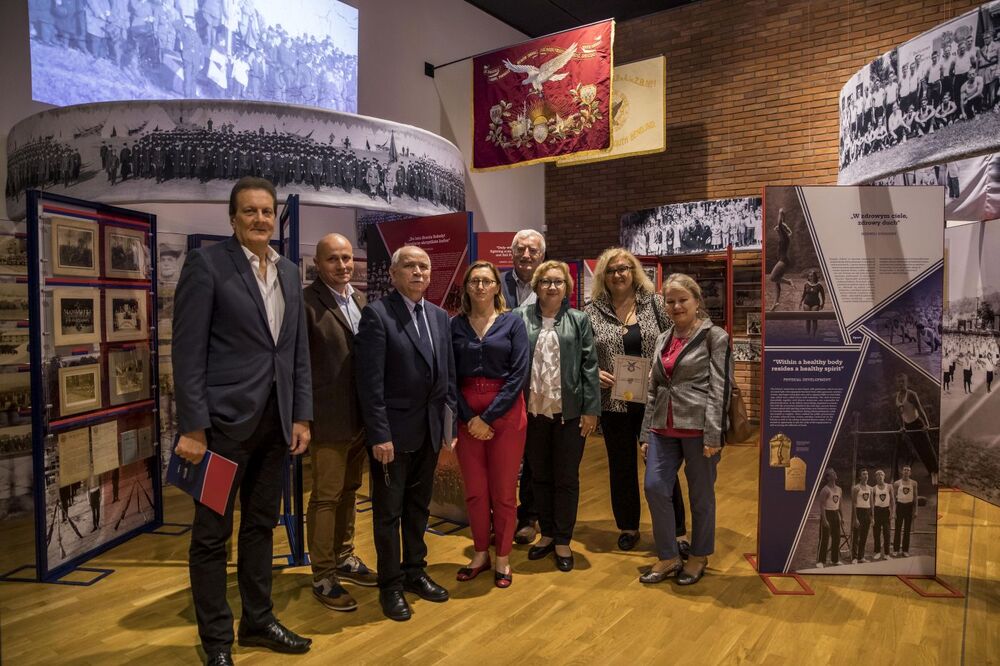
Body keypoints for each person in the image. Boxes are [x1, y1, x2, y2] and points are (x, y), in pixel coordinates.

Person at [173, 177, 313, 665]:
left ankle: (258, 621)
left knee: (259, 528)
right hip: (220, 429)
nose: (260, 219)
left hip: (275, 428)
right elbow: (186, 352)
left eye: (267, 211)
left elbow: (296, 354)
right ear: (231, 218)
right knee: (211, 536)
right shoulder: (207, 265)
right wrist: (192, 427)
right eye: (249, 211)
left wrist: (301, 416)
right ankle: (216, 641)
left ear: (276, 217)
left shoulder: (291, 273)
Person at [354, 245, 457, 622]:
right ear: (394, 274)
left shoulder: (439, 317)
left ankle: (415, 571)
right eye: (409, 266)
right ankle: (391, 584)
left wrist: (451, 424)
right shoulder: (377, 316)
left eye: (423, 266)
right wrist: (379, 434)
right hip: (392, 438)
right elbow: (370, 384)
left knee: (418, 509)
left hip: (430, 433)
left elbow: (448, 377)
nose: (417, 272)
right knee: (388, 513)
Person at [584, 248, 688, 555]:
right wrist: (593, 374)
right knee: (620, 466)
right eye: (612, 270)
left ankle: (677, 530)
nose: (618, 275)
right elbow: (584, 356)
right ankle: (628, 527)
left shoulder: (655, 303)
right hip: (613, 402)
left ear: (634, 271)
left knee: (661, 466)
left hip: (653, 401)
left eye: (624, 268)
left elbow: (677, 339)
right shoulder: (592, 312)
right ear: (604, 276)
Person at [638, 273, 731, 585]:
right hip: (662, 428)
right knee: (654, 487)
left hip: (699, 429)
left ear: (696, 302)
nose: (676, 306)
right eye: (671, 301)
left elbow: (720, 389)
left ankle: (699, 555)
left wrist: (714, 434)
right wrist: (644, 433)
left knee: (701, 496)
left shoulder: (714, 336)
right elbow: (653, 389)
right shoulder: (663, 339)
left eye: (682, 300)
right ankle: (668, 556)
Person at [302, 233, 376, 613]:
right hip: (327, 421)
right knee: (326, 497)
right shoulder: (305, 303)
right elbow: (297, 366)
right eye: (334, 259)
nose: (343, 265)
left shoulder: (358, 299)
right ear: (318, 263)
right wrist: (302, 417)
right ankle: (323, 574)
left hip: (359, 419)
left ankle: (344, 556)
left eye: (348, 258)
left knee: (349, 491)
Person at [514, 261, 600, 572]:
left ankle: (563, 538)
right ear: (536, 286)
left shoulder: (578, 320)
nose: (552, 287)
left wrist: (591, 409)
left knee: (566, 477)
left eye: (559, 282)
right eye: (546, 281)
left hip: (570, 413)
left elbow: (589, 366)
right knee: (539, 476)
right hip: (532, 413)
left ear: (567, 287)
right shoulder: (518, 317)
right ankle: (547, 533)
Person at [451, 261, 529, 588]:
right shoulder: (455, 325)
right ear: (467, 287)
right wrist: (471, 418)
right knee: (475, 492)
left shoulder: (513, 324)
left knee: (503, 492)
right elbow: (449, 376)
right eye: (474, 281)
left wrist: (488, 417)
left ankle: (503, 558)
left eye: (487, 281)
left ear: (497, 287)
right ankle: (480, 553)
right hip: (466, 413)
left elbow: (518, 374)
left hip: (507, 413)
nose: (480, 286)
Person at [500, 229, 545, 545]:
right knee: (501, 454)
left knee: (533, 454)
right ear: (511, 253)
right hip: (500, 382)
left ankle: (529, 515)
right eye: (521, 250)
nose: (526, 255)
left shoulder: (551, 285)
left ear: (542, 255)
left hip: (540, 383)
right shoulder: (494, 283)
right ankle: (498, 515)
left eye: (533, 250)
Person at [895, 373, 938, 486]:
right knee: (920, 450)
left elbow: (920, 409)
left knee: (928, 449)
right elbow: (900, 415)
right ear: (897, 383)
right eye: (899, 382)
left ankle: (936, 472)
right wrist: (902, 426)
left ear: (906, 382)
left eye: (902, 382)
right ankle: (930, 471)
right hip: (908, 427)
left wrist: (927, 424)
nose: (901, 384)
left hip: (918, 424)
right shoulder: (897, 396)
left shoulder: (911, 394)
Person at [816, 468, 843, 568]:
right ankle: (820, 561)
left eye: (834, 472)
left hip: (836, 514)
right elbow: (822, 505)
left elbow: (840, 504)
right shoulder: (825, 489)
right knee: (824, 539)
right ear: (828, 477)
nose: (835, 473)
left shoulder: (839, 489)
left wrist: (842, 517)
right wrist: (824, 519)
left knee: (837, 538)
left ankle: (834, 560)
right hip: (827, 514)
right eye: (832, 473)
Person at [768, 208, 793, 310]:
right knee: (777, 282)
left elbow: (780, 223)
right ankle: (776, 303)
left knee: (772, 278)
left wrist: (780, 212)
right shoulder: (784, 237)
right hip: (783, 260)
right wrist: (783, 215)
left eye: (778, 229)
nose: (777, 230)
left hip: (783, 261)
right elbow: (782, 224)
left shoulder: (784, 237)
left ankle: (789, 281)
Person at [892, 465, 918, 557]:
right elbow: (893, 499)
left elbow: (915, 498)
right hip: (900, 506)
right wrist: (894, 512)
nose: (906, 471)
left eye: (908, 470)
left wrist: (915, 511)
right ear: (902, 472)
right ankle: (895, 549)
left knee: (907, 530)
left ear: (910, 472)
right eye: (905, 470)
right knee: (898, 529)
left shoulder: (914, 483)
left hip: (909, 507)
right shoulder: (897, 483)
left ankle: (905, 550)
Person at [871, 469, 894, 561]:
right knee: (876, 533)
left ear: (884, 476)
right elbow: (872, 503)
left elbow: (892, 500)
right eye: (878, 475)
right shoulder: (873, 488)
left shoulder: (889, 486)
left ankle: (887, 554)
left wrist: (892, 512)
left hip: (886, 511)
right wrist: (872, 515)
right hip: (877, 511)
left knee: (887, 533)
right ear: (876, 477)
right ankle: (877, 552)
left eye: (881, 475)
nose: (880, 476)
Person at [851, 468, 873, 564]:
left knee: (864, 536)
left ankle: (861, 557)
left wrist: (872, 517)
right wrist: (855, 518)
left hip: (867, 512)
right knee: (856, 536)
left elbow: (871, 503)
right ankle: (854, 557)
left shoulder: (870, 488)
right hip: (859, 512)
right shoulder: (856, 488)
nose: (866, 475)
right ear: (860, 477)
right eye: (864, 474)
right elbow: (854, 503)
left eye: (867, 474)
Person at [799, 269, 825, 337]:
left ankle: (813, 334)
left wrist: (823, 304)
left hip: (815, 303)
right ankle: (808, 334)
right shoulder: (806, 284)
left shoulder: (819, 285)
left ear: (815, 276)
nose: (811, 277)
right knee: (807, 319)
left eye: (812, 276)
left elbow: (823, 295)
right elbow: (804, 294)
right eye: (810, 276)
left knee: (814, 319)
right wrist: (801, 302)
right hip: (807, 302)